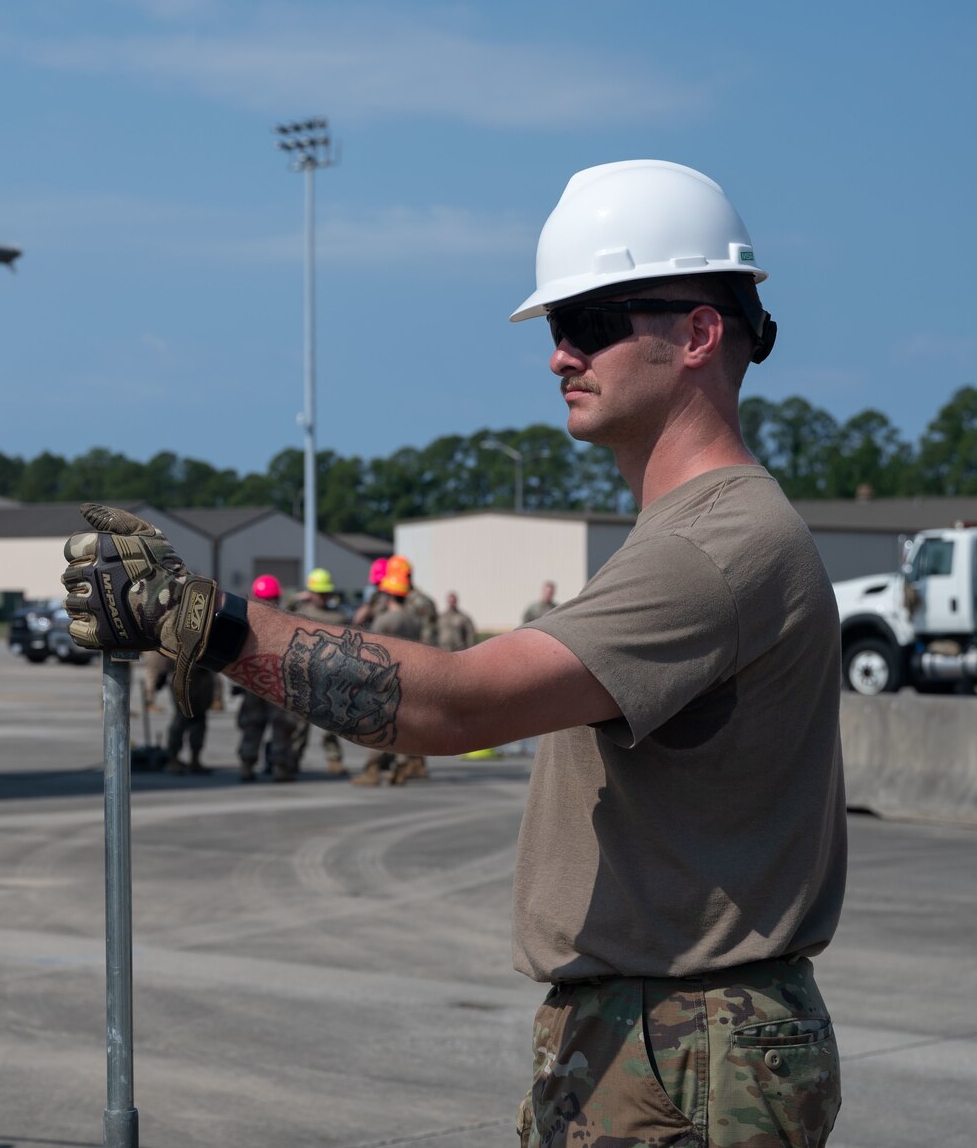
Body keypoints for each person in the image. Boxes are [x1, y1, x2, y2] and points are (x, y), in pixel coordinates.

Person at [56, 160, 843, 1146]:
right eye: (556, 327)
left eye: (591, 321)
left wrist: (202, 621)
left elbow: (461, 706)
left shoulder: (712, 546)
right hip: (657, 1024)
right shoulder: (686, 533)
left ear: (696, 331)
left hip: (684, 1036)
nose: (559, 355)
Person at [351, 567, 428, 787]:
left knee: (376, 724)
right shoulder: (412, 619)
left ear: (389, 594)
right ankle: (402, 766)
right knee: (402, 723)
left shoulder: (384, 620)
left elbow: (371, 648)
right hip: (407, 677)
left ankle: (372, 771)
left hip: (383, 679)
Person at [284, 567, 351, 776]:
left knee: (330, 724)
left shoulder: (337, 616)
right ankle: (292, 759)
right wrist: (297, 598)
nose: (323, 596)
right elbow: (280, 613)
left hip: (330, 679)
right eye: (319, 592)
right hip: (304, 676)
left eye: (325, 592)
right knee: (298, 726)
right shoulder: (301, 613)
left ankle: (334, 759)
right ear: (311, 592)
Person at [234, 575, 299, 781]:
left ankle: (247, 764)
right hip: (277, 683)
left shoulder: (246, 619)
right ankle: (280, 767)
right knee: (281, 726)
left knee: (253, 724)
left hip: (254, 681)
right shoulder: (284, 622)